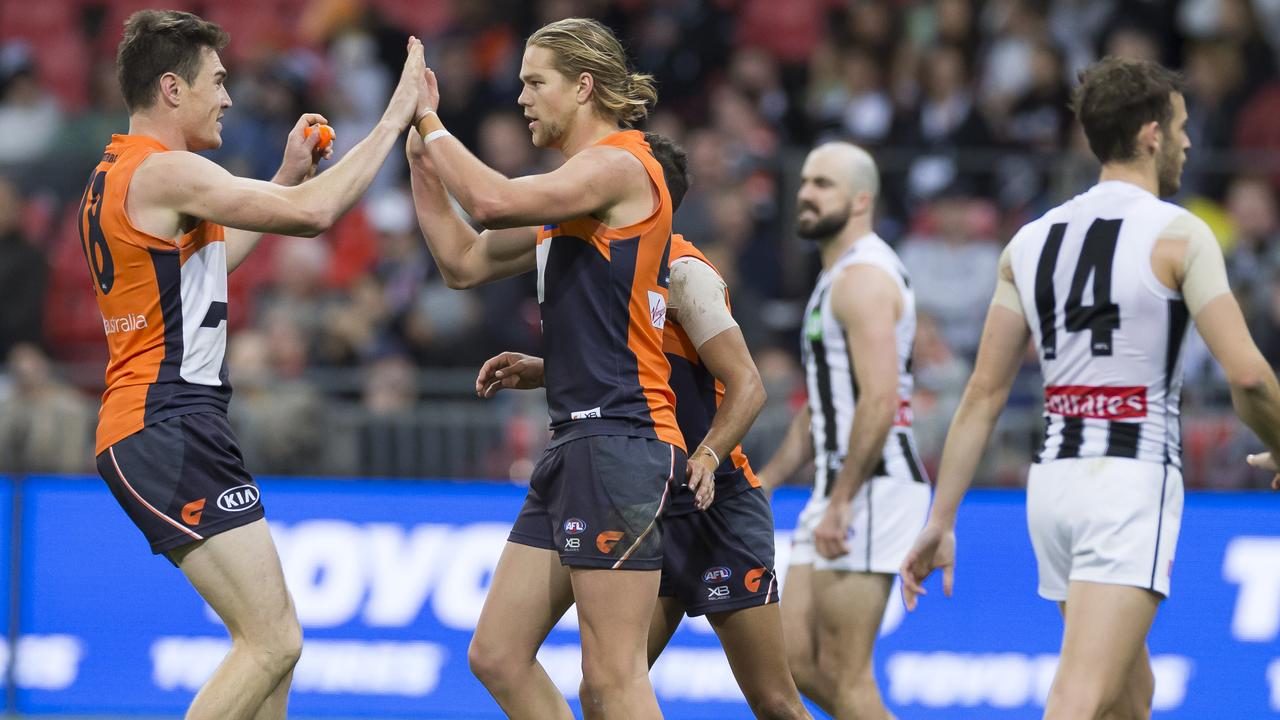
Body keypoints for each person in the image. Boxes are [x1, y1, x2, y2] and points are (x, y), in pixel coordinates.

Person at [900, 56, 1280, 719]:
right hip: (1128, 481)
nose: (1190, 142)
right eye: (1182, 127)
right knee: (1079, 695)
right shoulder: (1179, 234)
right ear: (1152, 134)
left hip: (1054, 488)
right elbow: (1248, 376)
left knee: (1129, 698)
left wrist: (942, 516)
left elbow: (984, 394)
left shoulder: (1028, 243)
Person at [82, 10, 424, 719]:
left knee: (270, 647)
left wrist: (284, 174)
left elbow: (207, 267)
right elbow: (316, 214)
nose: (229, 97)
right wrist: (394, 121)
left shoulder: (123, 173)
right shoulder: (168, 171)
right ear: (172, 89)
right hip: (166, 420)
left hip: (165, 421)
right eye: (218, 81)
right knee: (273, 642)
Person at [404, 18, 709, 719]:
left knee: (612, 677)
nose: (520, 98)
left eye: (534, 82)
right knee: (498, 654)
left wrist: (427, 114)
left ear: (583, 86)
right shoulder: (570, 196)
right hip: (577, 444)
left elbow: (489, 200)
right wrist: (423, 162)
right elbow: (462, 261)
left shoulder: (623, 165)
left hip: (622, 441)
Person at [475, 134, 810, 719]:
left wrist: (706, 457)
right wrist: (546, 370)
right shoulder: (613, 276)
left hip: (717, 501)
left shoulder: (682, 273)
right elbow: (635, 370)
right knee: (603, 688)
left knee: (775, 700)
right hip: (649, 493)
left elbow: (748, 385)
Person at [756, 141, 930, 719]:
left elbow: (879, 400)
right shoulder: (839, 276)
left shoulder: (863, 280)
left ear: (861, 200)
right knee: (790, 663)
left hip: (871, 486)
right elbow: (832, 398)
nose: (805, 192)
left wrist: (842, 501)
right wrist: (775, 474)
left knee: (845, 674)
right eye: (805, 181)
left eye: (823, 184)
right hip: (841, 488)